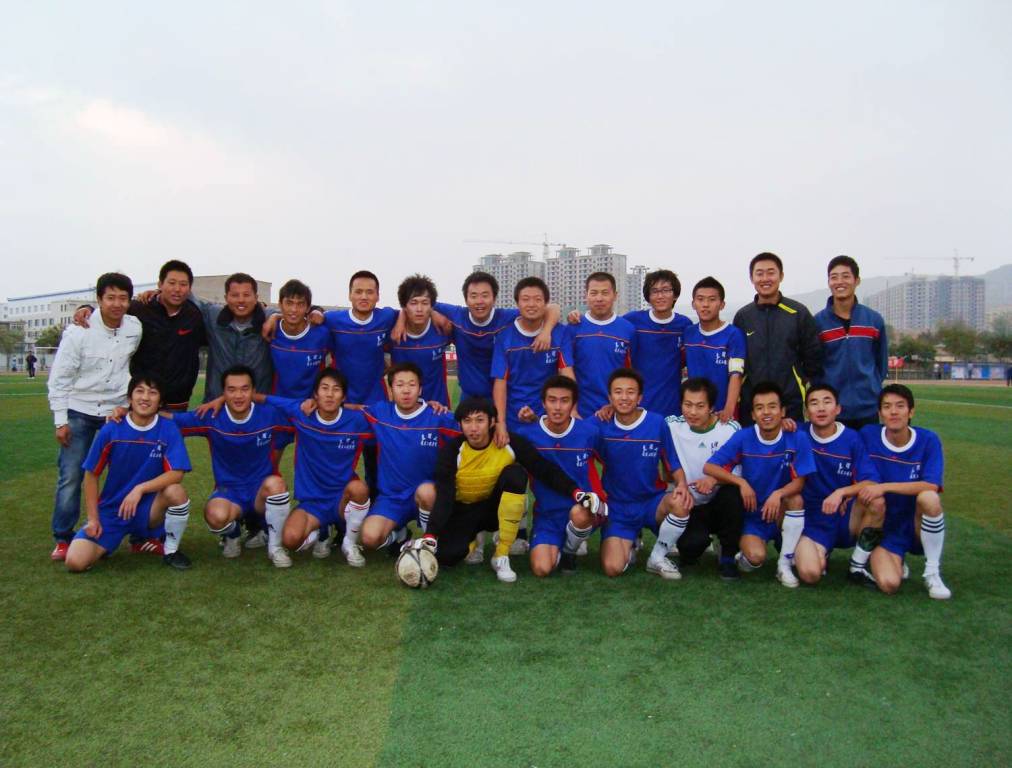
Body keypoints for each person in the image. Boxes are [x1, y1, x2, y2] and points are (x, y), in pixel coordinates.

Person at [422, 396, 602, 582]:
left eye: (480, 420)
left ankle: (501, 554)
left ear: (492, 421)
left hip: (495, 509)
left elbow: (543, 468)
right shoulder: (452, 451)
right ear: (460, 424)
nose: (473, 428)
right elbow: (444, 495)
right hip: (464, 510)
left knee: (515, 474)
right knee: (447, 558)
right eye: (467, 421)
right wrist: (431, 534)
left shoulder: (507, 442)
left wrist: (576, 492)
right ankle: (471, 540)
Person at [48, 272, 142, 561]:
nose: (117, 304)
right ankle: (63, 537)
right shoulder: (79, 331)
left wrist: (126, 405)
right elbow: (60, 378)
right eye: (110, 297)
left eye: (123, 298)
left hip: (115, 411)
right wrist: (61, 421)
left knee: (124, 474)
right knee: (72, 475)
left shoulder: (134, 327)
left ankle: (119, 531)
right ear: (99, 299)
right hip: (80, 410)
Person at [168, 365, 293, 567]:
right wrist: (130, 412)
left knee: (277, 484)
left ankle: (275, 547)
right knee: (215, 516)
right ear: (223, 393)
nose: (238, 395)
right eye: (231, 390)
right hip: (229, 492)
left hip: (261, 492)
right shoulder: (211, 416)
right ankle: (232, 534)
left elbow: (302, 414)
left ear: (253, 391)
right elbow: (173, 420)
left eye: (244, 389)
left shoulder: (269, 415)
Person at [65, 375, 193, 572]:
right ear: (129, 398)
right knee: (75, 562)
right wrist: (93, 519)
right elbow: (91, 474)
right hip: (113, 510)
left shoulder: (168, 429)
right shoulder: (111, 430)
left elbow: (177, 473)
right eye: (140, 391)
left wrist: (140, 489)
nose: (145, 397)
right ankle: (108, 542)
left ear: (160, 401)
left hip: (148, 510)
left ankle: (170, 550)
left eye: (153, 393)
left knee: (176, 491)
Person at [251, 368, 372, 567]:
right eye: (324, 388)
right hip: (312, 502)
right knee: (290, 540)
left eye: (336, 389)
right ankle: (321, 531)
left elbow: (390, 415)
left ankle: (349, 544)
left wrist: (355, 407)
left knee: (359, 489)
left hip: (342, 499)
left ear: (343, 396)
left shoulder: (357, 420)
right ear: (315, 394)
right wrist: (222, 399)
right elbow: (266, 399)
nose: (330, 394)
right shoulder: (301, 412)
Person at [704, 381, 815, 588]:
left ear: (782, 411)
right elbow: (710, 467)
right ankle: (742, 552)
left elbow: (800, 482)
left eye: (772, 406)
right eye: (759, 407)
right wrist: (741, 482)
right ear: (753, 414)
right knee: (755, 558)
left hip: (781, 510)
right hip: (754, 514)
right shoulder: (744, 437)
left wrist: (778, 494)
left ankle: (784, 565)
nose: (766, 412)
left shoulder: (797, 437)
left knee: (796, 499)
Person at [352, 363, 460, 560]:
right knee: (369, 538)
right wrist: (318, 403)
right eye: (400, 385)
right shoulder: (380, 413)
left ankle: (429, 543)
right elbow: (351, 411)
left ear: (420, 389)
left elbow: (469, 428)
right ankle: (400, 536)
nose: (406, 390)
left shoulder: (437, 416)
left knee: (427, 491)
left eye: (412, 384)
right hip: (392, 497)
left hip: (426, 494)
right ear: (391, 390)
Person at [595, 368, 692, 579]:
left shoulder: (656, 423)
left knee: (680, 503)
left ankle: (657, 557)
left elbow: (672, 462)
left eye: (630, 392)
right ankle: (629, 542)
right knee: (612, 568)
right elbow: (572, 434)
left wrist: (682, 485)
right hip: (618, 507)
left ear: (640, 397)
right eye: (618, 392)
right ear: (609, 398)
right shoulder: (600, 425)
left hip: (652, 502)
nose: (624, 397)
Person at [73, 260, 207, 411]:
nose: (177, 289)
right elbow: (113, 310)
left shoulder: (195, 315)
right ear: (160, 284)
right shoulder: (140, 308)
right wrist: (87, 309)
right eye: (172, 283)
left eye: (183, 284)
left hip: (177, 403)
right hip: (141, 400)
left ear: (189, 288)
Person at [858, 384, 951, 599]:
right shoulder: (868, 435)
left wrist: (884, 486)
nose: (893, 412)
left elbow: (931, 485)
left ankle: (932, 572)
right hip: (886, 529)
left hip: (916, 524)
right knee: (889, 584)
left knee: (929, 498)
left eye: (900, 406)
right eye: (887, 406)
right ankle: (893, 559)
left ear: (911, 412)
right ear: (880, 413)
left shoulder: (928, 440)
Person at [792, 383, 883, 586]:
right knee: (810, 574)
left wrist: (843, 492)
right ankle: (813, 551)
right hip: (811, 519)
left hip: (843, 515)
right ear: (806, 412)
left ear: (838, 409)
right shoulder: (798, 433)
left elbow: (871, 480)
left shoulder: (851, 438)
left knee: (876, 501)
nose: (821, 408)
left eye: (827, 402)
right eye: (814, 403)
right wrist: (784, 423)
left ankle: (857, 566)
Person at [514, 376, 604, 576]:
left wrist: (603, 500)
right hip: (547, 516)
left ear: (573, 404)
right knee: (541, 569)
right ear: (543, 403)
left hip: (582, 508)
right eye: (552, 400)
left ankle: (570, 552)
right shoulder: (527, 434)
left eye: (564, 401)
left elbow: (611, 463)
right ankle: (561, 543)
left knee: (580, 514)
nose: (557, 407)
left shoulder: (589, 433)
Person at [431, 271, 560, 403]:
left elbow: (553, 308)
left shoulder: (506, 317)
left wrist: (546, 331)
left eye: (485, 295)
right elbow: (425, 302)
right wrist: (433, 313)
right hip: (468, 397)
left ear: (494, 298)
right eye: (474, 296)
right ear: (466, 299)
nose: (479, 301)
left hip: (501, 397)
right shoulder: (457, 315)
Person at [664, 377, 745, 580]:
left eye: (700, 406)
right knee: (689, 549)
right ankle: (696, 542)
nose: (692, 412)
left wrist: (714, 479)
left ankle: (727, 555)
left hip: (720, 502)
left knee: (734, 493)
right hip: (689, 505)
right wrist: (610, 409)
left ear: (711, 407)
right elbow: (640, 419)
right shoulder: (671, 426)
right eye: (687, 405)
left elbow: (740, 470)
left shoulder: (730, 429)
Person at [733, 253, 822, 424]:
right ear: (751, 278)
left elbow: (813, 357)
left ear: (781, 276)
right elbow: (737, 360)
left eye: (771, 272)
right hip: (752, 405)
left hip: (790, 404)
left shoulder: (798, 313)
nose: (765, 278)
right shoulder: (743, 317)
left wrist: (800, 384)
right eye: (759, 273)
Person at [491, 276, 575, 437]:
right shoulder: (504, 337)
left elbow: (567, 373)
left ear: (545, 303)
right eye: (525, 299)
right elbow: (500, 382)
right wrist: (500, 423)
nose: (531, 304)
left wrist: (573, 411)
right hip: (514, 416)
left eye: (537, 299)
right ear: (517, 303)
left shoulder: (560, 333)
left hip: (551, 416)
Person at [814, 256, 888, 429]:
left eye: (846, 276)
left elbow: (881, 363)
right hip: (832, 411)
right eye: (834, 277)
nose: (839, 282)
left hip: (868, 409)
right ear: (829, 282)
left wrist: (871, 387)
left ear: (857, 280)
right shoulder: (817, 323)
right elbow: (814, 367)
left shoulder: (873, 320)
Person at [268, 279, 332, 463]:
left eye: (300, 304)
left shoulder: (321, 333)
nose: (294, 309)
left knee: (316, 467)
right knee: (268, 467)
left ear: (308, 307)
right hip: (279, 407)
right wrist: (273, 317)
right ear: (280, 304)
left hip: (312, 408)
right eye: (289, 303)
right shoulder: (271, 331)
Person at [618, 269, 692, 417]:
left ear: (675, 294)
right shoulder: (632, 320)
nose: (660, 296)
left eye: (666, 290)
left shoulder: (684, 325)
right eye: (655, 291)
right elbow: (607, 327)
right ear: (648, 296)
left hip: (672, 407)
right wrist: (575, 318)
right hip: (637, 406)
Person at [569, 272, 636, 416]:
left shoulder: (628, 329)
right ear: (586, 295)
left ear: (615, 295)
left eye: (605, 293)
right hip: (580, 412)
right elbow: (565, 370)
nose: (599, 298)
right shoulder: (573, 327)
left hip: (615, 411)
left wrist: (615, 404)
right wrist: (572, 408)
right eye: (594, 293)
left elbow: (631, 372)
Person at [683, 277, 746, 423]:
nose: (705, 305)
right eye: (700, 299)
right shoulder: (689, 333)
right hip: (695, 413)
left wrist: (729, 409)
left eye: (712, 299)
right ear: (693, 304)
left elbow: (736, 374)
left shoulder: (733, 334)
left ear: (722, 304)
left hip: (723, 414)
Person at [388, 274, 453, 408]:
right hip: (404, 410)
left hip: (438, 408)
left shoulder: (442, 328)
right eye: (413, 303)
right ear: (404, 306)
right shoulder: (393, 329)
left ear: (431, 306)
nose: (419, 309)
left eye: (424, 303)